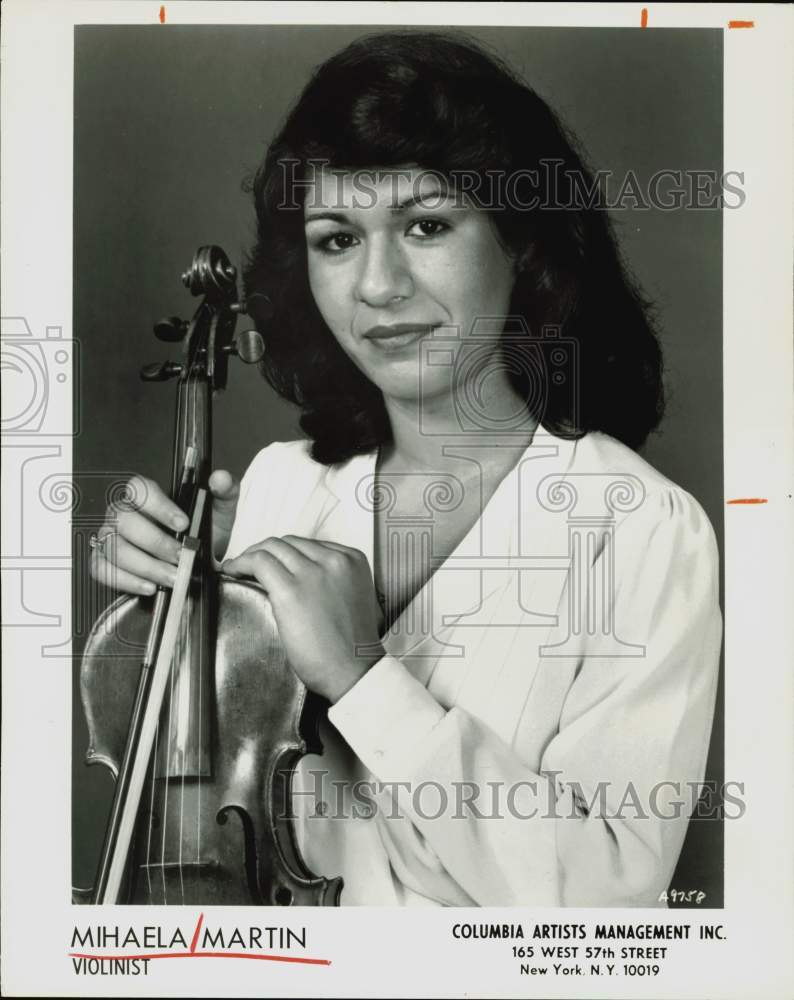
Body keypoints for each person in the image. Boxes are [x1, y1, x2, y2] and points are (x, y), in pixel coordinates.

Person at [89, 31, 722, 906]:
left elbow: (607, 902)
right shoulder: (282, 486)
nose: (377, 285)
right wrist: (157, 618)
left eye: (426, 226)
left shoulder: (645, 531)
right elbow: (203, 814)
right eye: (336, 239)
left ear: (522, 244)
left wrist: (363, 675)